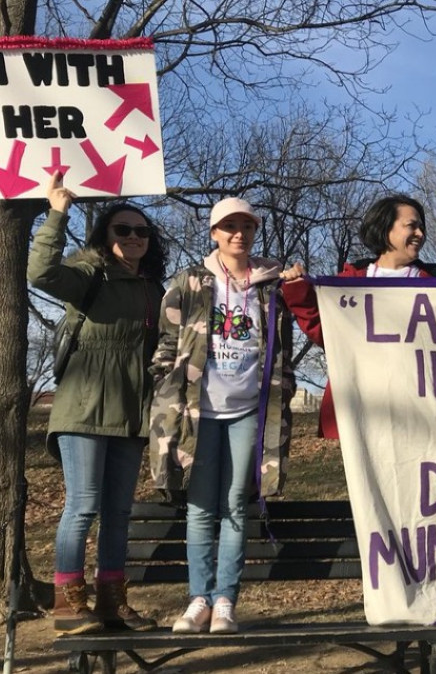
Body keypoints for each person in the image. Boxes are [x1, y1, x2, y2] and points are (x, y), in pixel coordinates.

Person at [149, 197, 295, 634]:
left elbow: (289, 336)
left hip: (249, 411)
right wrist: (166, 389)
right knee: (199, 505)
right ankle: (198, 599)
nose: (238, 234)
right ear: (214, 233)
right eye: (229, 227)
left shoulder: (272, 286)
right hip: (198, 413)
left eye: (246, 227)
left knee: (234, 503)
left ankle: (226, 601)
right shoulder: (190, 282)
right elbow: (166, 343)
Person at [27, 172, 165, 635]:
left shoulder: (154, 291)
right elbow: (41, 273)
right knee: (83, 505)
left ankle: (112, 602)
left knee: (119, 512)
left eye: (141, 231)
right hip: (83, 410)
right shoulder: (90, 271)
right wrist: (57, 211)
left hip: (131, 415)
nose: (133, 237)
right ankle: (68, 604)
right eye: (122, 230)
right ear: (106, 237)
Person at [280, 193, 436, 439]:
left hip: (422, 417)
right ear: (384, 228)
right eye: (412, 225)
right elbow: (324, 330)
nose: (420, 234)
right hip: (365, 411)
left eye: (422, 227)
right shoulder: (349, 284)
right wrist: (298, 289)